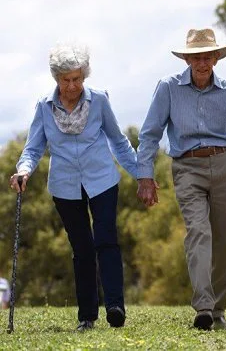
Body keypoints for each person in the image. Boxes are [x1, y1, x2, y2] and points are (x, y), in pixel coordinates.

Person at [137, 28, 226, 331]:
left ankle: (218, 310)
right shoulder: (168, 88)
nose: (202, 62)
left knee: (225, 241)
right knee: (198, 232)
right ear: (186, 59)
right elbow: (150, 134)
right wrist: (144, 175)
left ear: (216, 59)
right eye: (195, 57)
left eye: (207, 56)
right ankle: (203, 306)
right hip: (187, 167)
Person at [9, 43, 137, 331]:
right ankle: (87, 316)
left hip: (102, 179)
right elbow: (33, 147)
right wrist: (24, 170)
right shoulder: (44, 106)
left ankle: (115, 306)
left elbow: (118, 140)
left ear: (84, 76)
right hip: (65, 186)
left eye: (77, 79)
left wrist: (142, 175)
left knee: (106, 240)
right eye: (66, 80)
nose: (72, 85)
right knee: (82, 249)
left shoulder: (100, 101)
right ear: (57, 79)